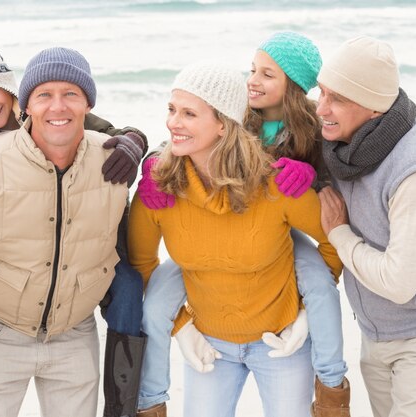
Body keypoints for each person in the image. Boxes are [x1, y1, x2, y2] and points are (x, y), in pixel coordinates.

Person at [0, 27, 148, 417]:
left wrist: (137, 141)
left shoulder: (50, 105)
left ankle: (132, 404)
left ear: (12, 90)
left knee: (129, 285)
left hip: (80, 244)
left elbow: (115, 133)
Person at [134, 32, 350, 416]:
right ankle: (150, 403)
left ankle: (332, 388)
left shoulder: (304, 142)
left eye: (268, 74)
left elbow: (338, 222)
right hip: (212, 341)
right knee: (156, 305)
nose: (173, 123)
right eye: (171, 110)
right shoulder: (236, 121)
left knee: (317, 284)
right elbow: (142, 262)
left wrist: (304, 317)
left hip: (279, 321)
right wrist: (182, 326)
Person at [317, 36, 416, 417]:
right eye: (322, 92)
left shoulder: (412, 170)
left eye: (338, 99)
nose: (322, 109)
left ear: (376, 109)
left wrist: (339, 233)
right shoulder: (339, 145)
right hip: (373, 335)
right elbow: (245, 137)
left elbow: (399, 283)